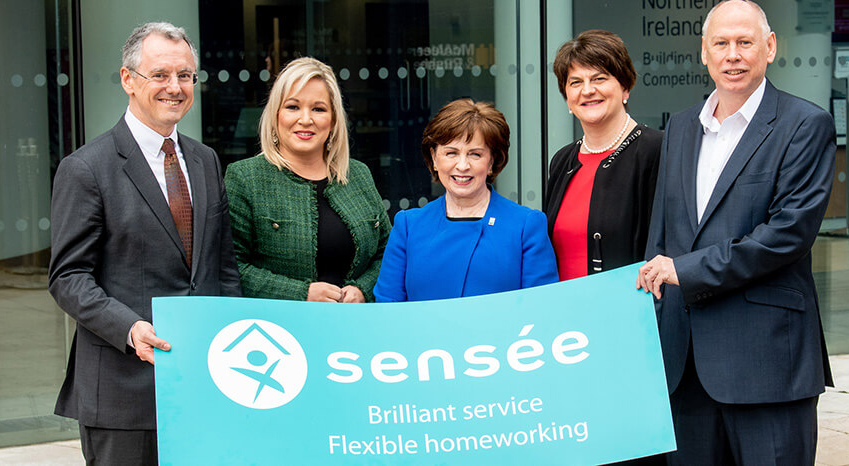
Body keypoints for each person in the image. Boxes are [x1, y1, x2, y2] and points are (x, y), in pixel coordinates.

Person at [637, 1, 834, 464]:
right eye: (721, 43)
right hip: (683, 365)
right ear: (703, 53)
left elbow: (788, 233)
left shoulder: (804, 125)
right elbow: (662, 234)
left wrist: (684, 270)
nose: (733, 55)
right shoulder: (682, 126)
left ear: (769, 47)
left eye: (745, 42)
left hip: (768, 362)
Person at [48, 22, 241, 464]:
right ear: (128, 80)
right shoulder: (86, 169)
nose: (175, 87)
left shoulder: (205, 159)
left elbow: (222, 266)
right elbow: (68, 278)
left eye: (186, 75)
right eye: (160, 75)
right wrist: (129, 327)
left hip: (200, 380)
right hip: (122, 391)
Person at [225, 57, 391, 302]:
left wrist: (363, 290)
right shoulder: (245, 178)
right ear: (276, 115)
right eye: (293, 107)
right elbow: (231, 269)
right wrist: (301, 294)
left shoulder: (358, 175)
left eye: (318, 109)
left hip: (355, 330)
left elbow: (389, 253)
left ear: (333, 120)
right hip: (280, 333)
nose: (305, 119)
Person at [374, 98, 558, 302]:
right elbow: (388, 308)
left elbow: (541, 310)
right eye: (451, 153)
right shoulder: (408, 226)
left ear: (492, 161)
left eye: (475, 154)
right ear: (434, 158)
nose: (462, 165)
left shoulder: (526, 226)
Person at [545, 30, 662, 280]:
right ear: (567, 98)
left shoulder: (657, 150)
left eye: (599, 78)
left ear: (625, 87)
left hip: (629, 311)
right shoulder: (562, 161)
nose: (587, 90)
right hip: (567, 315)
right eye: (575, 82)